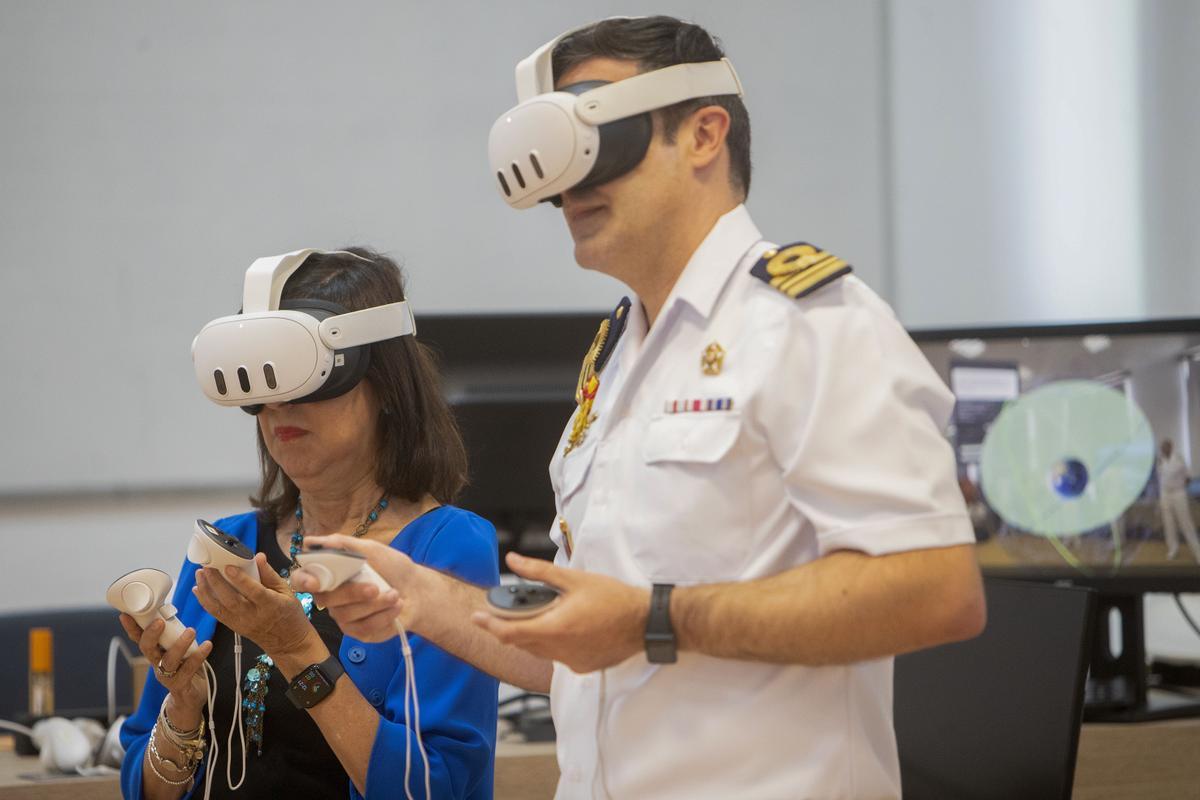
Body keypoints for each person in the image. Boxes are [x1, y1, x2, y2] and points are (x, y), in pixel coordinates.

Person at [295, 17, 985, 799]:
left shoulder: (810, 323)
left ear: (703, 134)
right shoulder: (618, 360)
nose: (567, 184)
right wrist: (420, 598)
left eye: (596, 135)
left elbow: (937, 589)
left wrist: (655, 619)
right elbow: (586, 647)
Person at [117, 248, 500, 799]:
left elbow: (436, 788)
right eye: (263, 388)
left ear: (386, 388)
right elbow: (140, 789)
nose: (279, 405)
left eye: (305, 377)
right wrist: (182, 708)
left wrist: (299, 653)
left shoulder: (447, 549)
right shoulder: (230, 545)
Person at [1158, 438, 1200, 563]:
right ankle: (1173, 549)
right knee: (1168, 524)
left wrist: (1179, 486)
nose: (1164, 449)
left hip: (1178, 493)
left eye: (1166, 447)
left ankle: (1197, 551)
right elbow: (1161, 478)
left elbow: (1188, 478)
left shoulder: (1179, 458)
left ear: (1171, 447)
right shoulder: (1160, 461)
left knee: (1186, 523)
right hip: (1165, 495)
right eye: (1162, 447)